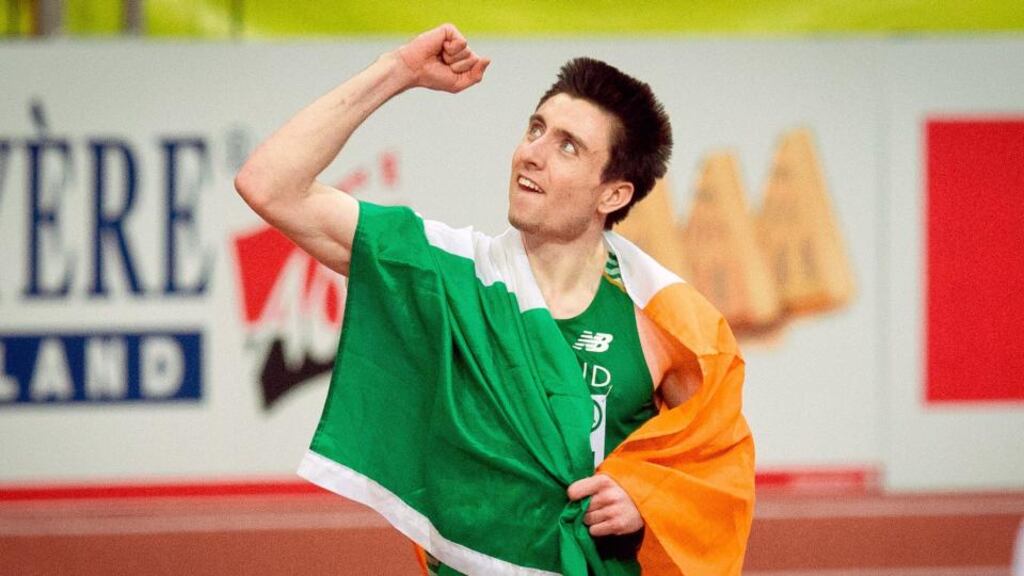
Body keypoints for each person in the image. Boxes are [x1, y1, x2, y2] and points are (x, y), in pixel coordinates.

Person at [236, 23, 753, 576]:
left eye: (567, 146)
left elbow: (715, 464)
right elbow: (269, 184)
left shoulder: (661, 319)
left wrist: (646, 499)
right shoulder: (450, 271)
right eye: (535, 129)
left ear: (614, 192)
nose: (533, 154)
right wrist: (398, 71)